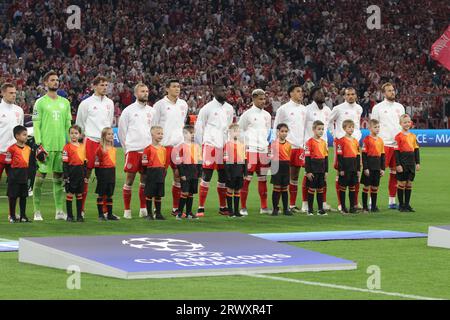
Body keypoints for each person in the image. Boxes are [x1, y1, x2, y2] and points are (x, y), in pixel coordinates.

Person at [32, 70, 72, 221]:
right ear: (46, 83)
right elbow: (36, 125)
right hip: (46, 147)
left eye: (57, 80)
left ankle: (59, 211)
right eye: (52, 80)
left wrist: (69, 145)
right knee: (40, 177)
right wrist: (38, 145)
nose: (56, 82)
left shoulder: (65, 102)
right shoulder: (40, 102)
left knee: (59, 177)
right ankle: (36, 211)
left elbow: (68, 125)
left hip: (61, 146)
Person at [75, 76, 114, 216]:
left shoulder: (110, 103)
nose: (105, 87)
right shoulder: (86, 103)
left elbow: (109, 123)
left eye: (106, 85)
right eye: (102, 85)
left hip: (105, 143)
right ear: (94, 86)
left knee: (105, 176)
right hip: (91, 141)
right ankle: (81, 209)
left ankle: (104, 211)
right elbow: (80, 123)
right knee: (86, 174)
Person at [194, 84, 235, 217]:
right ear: (214, 91)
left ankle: (223, 207)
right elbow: (199, 128)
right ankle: (201, 207)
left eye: (225, 89)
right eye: (222, 90)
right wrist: (201, 146)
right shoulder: (207, 108)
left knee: (223, 177)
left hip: (223, 146)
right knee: (206, 176)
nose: (225, 91)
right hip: (210, 145)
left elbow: (229, 128)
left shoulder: (229, 108)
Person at [118, 83, 154, 219]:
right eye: (142, 91)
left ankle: (143, 208)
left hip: (147, 150)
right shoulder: (128, 111)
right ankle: (127, 210)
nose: (145, 93)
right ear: (135, 94)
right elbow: (122, 132)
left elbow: (155, 129)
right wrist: (127, 149)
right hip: (133, 149)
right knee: (129, 180)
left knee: (144, 180)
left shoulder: (152, 111)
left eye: (147, 91)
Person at [153, 79, 188, 216]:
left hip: (178, 146)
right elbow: (154, 126)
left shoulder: (183, 104)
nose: (177, 89)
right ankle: (156, 209)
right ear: (167, 89)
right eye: (174, 86)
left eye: (178, 86)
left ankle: (175, 209)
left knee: (178, 176)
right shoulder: (159, 105)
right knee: (160, 177)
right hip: (163, 146)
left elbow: (181, 123)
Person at [371, 82, 406, 209]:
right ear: (384, 93)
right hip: (383, 144)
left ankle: (392, 201)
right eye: (389, 90)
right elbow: (373, 125)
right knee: (377, 173)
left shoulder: (400, 107)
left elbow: (403, 124)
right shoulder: (378, 108)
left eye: (393, 90)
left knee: (395, 173)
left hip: (397, 145)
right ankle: (371, 201)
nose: (392, 92)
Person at [272, 85, 307, 213]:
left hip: (299, 146)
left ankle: (291, 205)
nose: (300, 93)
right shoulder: (283, 109)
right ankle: (278, 206)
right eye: (298, 91)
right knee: (282, 177)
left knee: (295, 177)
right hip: (286, 146)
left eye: (301, 91)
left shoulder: (304, 109)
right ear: (290, 93)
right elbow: (276, 127)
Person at [328, 87, 363, 211]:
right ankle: (340, 203)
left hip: (354, 143)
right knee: (340, 171)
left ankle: (355, 202)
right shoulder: (338, 108)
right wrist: (335, 135)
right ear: (344, 96)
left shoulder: (359, 108)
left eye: (353, 94)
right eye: (348, 94)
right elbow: (329, 122)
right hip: (341, 143)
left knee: (356, 171)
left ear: (356, 95)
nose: (350, 96)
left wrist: (357, 136)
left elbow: (357, 125)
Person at [238, 89, 272, 215]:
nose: (263, 101)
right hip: (250, 150)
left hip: (263, 150)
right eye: (261, 99)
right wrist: (246, 144)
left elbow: (267, 132)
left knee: (263, 179)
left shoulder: (267, 115)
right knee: (247, 179)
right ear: (254, 99)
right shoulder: (247, 115)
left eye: (264, 99)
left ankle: (264, 207)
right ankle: (242, 207)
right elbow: (239, 130)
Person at [303, 86, 333, 212]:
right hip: (310, 146)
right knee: (308, 175)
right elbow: (302, 127)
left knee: (322, 176)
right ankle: (305, 203)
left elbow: (330, 126)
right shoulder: (307, 109)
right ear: (313, 95)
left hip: (323, 145)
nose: (321, 94)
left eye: (322, 92)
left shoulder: (327, 110)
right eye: (318, 93)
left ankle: (323, 203)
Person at [174, 125, 202, 220]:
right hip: (185, 172)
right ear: (184, 134)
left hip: (194, 172)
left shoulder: (197, 147)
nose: (193, 135)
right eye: (190, 133)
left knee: (191, 193)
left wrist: (200, 175)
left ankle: (189, 213)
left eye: (193, 133)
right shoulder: (181, 147)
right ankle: (179, 213)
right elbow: (179, 162)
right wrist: (182, 174)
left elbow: (199, 162)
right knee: (184, 192)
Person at [5, 125, 31, 223]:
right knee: (13, 196)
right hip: (14, 176)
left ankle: (23, 216)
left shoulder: (28, 148)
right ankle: (12, 216)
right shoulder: (11, 149)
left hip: (24, 175)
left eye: (26, 135)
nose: (26, 137)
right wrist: (10, 175)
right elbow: (7, 164)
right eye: (24, 135)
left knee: (23, 196)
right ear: (17, 136)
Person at [395, 114, 420, 212]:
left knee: (409, 183)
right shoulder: (398, 136)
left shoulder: (413, 136)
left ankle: (407, 204)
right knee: (402, 183)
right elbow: (396, 152)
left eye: (408, 122)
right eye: (405, 122)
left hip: (411, 163)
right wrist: (398, 164)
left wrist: (417, 163)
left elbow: (416, 150)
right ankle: (401, 205)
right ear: (400, 123)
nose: (407, 124)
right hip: (402, 163)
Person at [335, 119, 361, 214]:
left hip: (353, 166)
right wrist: (341, 169)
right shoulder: (341, 141)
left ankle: (352, 207)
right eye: (349, 127)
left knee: (352, 187)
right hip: (345, 166)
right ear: (344, 128)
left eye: (352, 127)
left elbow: (358, 156)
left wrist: (358, 169)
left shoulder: (355, 141)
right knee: (343, 187)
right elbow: (339, 156)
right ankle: (343, 207)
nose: (351, 129)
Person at [62, 125, 87, 222]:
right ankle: (69, 215)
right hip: (71, 173)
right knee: (70, 194)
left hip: (80, 173)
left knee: (79, 194)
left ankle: (79, 216)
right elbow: (65, 163)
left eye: (76, 133)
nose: (73, 135)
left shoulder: (82, 147)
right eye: (72, 133)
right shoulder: (66, 147)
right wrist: (66, 176)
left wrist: (85, 175)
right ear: (69, 134)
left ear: (80, 135)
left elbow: (85, 162)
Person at [0, 83, 24, 181]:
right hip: (0, 151)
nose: (14, 95)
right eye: (11, 93)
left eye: (15, 93)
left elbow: (21, 131)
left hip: (15, 153)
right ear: (3, 93)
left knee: (15, 184)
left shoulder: (19, 110)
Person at [94, 127, 119, 221]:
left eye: (112, 134)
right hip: (103, 173)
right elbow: (96, 164)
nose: (111, 136)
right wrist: (98, 176)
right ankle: (101, 214)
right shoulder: (100, 149)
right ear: (104, 136)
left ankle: (110, 214)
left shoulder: (113, 149)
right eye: (109, 134)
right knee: (101, 194)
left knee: (109, 194)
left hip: (111, 173)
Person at [142, 126, 167, 220]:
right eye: (158, 133)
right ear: (152, 135)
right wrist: (146, 175)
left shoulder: (163, 149)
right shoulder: (148, 149)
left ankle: (158, 213)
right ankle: (149, 214)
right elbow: (144, 164)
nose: (160, 135)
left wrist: (164, 172)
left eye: (162, 133)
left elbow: (164, 162)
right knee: (149, 194)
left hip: (160, 172)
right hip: (151, 172)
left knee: (158, 194)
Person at [304, 120, 329, 216]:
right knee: (311, 189)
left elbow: (326, 158)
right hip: (313, 169)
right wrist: (308, 171)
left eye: (322, 129)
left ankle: (320, 209)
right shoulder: (309, 142)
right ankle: (310, 209)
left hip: (321, 169)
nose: (321, 131)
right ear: (313, 130)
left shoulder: (324, 142)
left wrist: (326, 171)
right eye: (319, 129)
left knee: (320, 189)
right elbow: (307, 158)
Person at [361, 119, 385, 213]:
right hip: (369, 166)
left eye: (378, 127)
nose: (377, 129)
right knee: (366, 186)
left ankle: (374, 206)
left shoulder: (380, 140)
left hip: (377, 166)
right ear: (370, 128)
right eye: (375, 127)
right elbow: (364, 155)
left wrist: (382, 168)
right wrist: (365, 168)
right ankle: (365, 207)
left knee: (375, 187)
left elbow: (383, 155)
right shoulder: (367, 139)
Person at [223, 123, 247, 218]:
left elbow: (245, 159)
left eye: (237, 131)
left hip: (239, 170)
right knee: (230, 190)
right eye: (234, 131)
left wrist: (245, 172)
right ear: (230, 132)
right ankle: (230, 212)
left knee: (237, 191)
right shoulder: (227, 145)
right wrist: (227, 174)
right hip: (231, 169)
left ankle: (237, 212)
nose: (236, 133)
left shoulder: (242, 145)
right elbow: (225, 160)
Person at [270, 123, 292, 216]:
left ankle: (286, 209)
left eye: (286, 131)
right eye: (282, 131)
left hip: (286, 166)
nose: (284, 133)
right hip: (276, 165)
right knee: (276, 188)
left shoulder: (289, 144)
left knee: (285, 188)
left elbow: (289, 155)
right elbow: (270, 156)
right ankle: (275, 209)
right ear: (277, 132)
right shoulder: (273, 144)